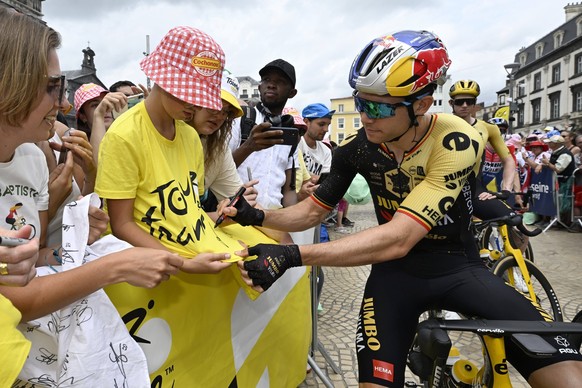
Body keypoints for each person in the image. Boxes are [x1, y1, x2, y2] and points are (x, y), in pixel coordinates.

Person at [219, 30, 582, 387]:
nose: (365, 117)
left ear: (421, 105)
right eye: (360, 103)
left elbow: (399, 238)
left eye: (377, 106)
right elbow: (312, 211)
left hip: (458, 267)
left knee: (568, 378)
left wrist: (291, 255)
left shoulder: (456, 139)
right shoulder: (359, 147)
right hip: (395, 279)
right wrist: (259, 216)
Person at [0, 9, 186, 384]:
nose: (64, 105)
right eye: (53, 87)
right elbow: (16, 299)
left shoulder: (32, 159)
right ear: (11, 82)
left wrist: (73, 241)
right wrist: (114, 267)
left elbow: (27, 262)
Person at [95, 25, 231, 272]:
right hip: (140, 268)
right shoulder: (124, 136)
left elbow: (189, 211)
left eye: (201, 97)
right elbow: (122, 225)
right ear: (163, 80)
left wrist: (224, 216)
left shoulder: (190, 136)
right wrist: (183, 263)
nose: (195, 104)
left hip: (184, 250)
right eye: (188, 94)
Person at [228, 59, 299, 209]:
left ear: (292, 93)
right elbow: (219, 171)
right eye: (266, 79)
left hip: (272, 221)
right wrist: (249, 146)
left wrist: (289, 221)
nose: (271, 84)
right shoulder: (241, 119)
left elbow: (289, 190)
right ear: (259, 87)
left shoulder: (290, 134)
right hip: (236, 213)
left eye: (280, 81)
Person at [449, 80, 521, 209]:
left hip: (475, 187)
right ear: (451, 103)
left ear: (475, 104)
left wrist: (506, 190)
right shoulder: (440, 124)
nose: (464, 105)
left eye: (469, 101)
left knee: (510, 217)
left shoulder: (489, 128)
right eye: (459, 102)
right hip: (444, 186)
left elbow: (508, 160)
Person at [542, 135, 575, 223]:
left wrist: (547, 163)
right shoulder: (556, 152)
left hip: (564, 182)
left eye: (550, 142)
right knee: (555, 202)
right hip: (556, 182)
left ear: (556, 144)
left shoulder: (565, 154)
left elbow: (558, 169)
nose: (548, 144)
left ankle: (564, 222)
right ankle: (556, 221)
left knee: (563, 203)